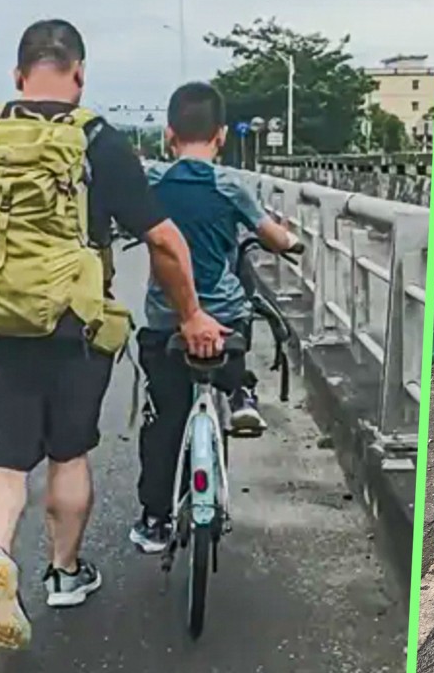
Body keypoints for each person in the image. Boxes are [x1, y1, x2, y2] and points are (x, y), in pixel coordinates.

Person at [0, 20, 227, 651]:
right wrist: (193, 315)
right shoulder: (95, 139)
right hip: (73, 326)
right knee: (68, 454)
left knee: (3, 459)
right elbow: (165, 242)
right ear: (80, 74)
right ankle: (65, 573)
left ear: (18, 75)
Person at [129, 81, 300, 554]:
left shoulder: (154, 186)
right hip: (223, 317)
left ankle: (155, 520)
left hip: (167, 320)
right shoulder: (230, 185)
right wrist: (290, 241)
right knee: (235, 316)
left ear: (169, 135)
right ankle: (241, 390)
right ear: (221, 135)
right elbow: (272, 237)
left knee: (163, 419)